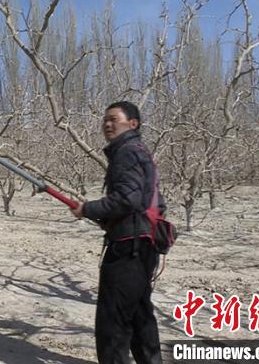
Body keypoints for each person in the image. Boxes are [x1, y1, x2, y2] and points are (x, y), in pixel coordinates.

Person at [71, 100, 164, 364]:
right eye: (105, 120)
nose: (107, 124)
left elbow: (128, 199)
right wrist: (111, 220)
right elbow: (151, 202)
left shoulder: (126, 152)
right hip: (142, 245)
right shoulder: (140, 152)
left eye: (114, 119)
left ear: (132, 124)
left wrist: (88, 208)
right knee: (139, 314)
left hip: (128, 250)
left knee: (113, 322)